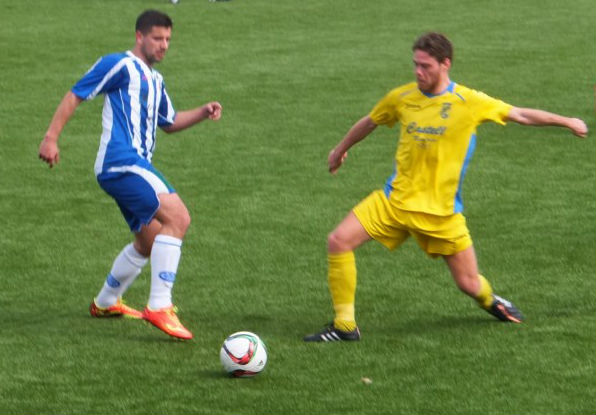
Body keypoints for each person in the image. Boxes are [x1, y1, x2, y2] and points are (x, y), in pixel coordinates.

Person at [304, 32, 588, 342]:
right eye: (415, 65)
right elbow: (371, 120)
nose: (417, 72)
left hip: (441, 215)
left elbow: (520, 114)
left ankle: (491, 301)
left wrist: (567, 120)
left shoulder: (468, 102)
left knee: (469, 284)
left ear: (445, 64)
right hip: (394, 202)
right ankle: (345, 326)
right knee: (338, 241)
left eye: (425, 66)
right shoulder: (402, 97)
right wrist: (340, 149)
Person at [38, 10, 222, 340]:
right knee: (178, 218)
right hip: (121, 163)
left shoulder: (156, 80)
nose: (163, 45)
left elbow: (169, 122)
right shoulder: (119, 65)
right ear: (139, 37)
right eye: (157, 38)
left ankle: (106, 302)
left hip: (128, 168)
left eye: (167, 39)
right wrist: (51, 137)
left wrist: (202, 113)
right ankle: (159, 306)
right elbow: (77, 93)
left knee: (149, 240)